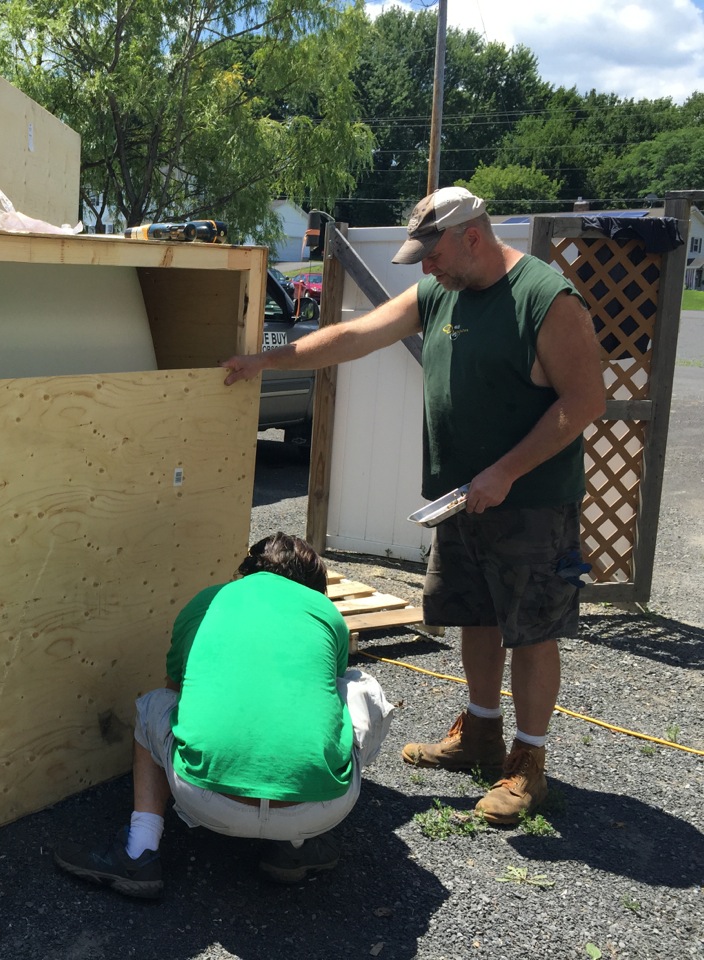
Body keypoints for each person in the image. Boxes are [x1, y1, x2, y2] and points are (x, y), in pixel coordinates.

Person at [221, 187, 607, 826]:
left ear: (472, 237)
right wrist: (266, 359)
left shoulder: (545, 298)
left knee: (533, 632)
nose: (425, 268)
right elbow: (354, 336)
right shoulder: (438, 293)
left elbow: (585, 401)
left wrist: (507, 471)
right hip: (463, 498)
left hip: (532, 502)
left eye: (433, 254)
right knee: (476, 615)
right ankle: (480, 734)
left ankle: (528, 763)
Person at [53, 533, 393, 899]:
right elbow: (323, 699)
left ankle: (139, 849)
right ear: (313, 582)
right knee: (358, 687)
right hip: (320, 808)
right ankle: (294, 848)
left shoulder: (208, 601)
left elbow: (175, 691)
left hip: (205, 799)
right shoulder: (325, 612)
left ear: (248, 569)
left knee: (153, 704)